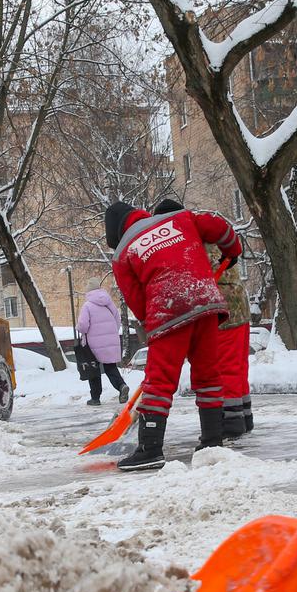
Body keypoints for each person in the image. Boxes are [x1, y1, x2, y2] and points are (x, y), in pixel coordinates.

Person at [104, 200, 242, 471]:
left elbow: (136, 299)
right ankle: (213, 442)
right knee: (208, 376)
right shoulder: (181, 218)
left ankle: (151, 449)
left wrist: (152, 322)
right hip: (206, 302)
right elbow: (219, 227)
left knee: (159, 382)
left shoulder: (123, 253)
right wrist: (232, 249)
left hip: (168, 310)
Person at [154, 199, 254, 439]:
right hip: (238, 303)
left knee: (224, 366)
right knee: (237, 366)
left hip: (222, 309)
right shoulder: (205, 232)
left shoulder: (189, 240)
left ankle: (231, 422)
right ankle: (243, 416)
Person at [75, 276, 129, 406]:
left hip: (93, 343)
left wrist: (79, 329)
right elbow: (117, 320)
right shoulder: (109, 303)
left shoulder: (87, 306)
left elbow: (83, 325)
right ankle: (121, 386)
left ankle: (95, 398)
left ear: (88, 292)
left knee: (93, 369)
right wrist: (111, 334)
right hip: (111, 340)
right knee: (110, 367)